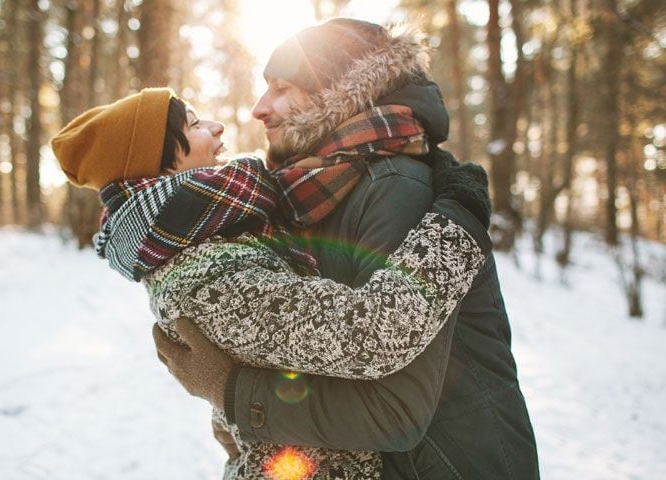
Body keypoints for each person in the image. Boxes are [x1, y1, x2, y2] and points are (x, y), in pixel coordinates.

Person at [155, 18, 541, 479]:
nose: (259, 108)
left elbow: (395, 412)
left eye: (282, 88)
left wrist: (232, 392)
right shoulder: (313, 190)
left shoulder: (396, 187)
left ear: (340, 94)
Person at [51, 87, 493, 478]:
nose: (218, 125)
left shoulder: (203, 245)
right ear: (160, 163)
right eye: (195, 124)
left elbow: (234, 422)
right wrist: (461, 215)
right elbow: (372, 332)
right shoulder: (208, 275)